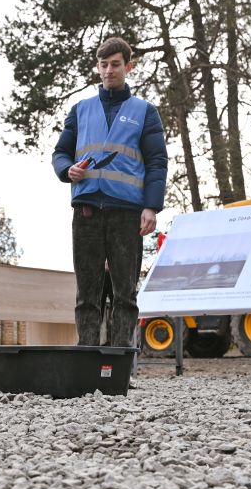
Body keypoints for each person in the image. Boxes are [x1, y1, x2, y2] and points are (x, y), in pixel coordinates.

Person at [51, 36, 168, 348]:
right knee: (86, 295)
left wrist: (151, 207)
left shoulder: (145, 112)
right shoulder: (80, 110)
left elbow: (157, 162)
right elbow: (60, 153)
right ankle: (86, 362)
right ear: (97, 67)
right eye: (103, 64)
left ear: (128, 66)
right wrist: (67, 169)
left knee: (124, 295)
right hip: (87, 212)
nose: (109, 70)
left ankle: (120, 366)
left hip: (126, 214)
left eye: (115, 64)